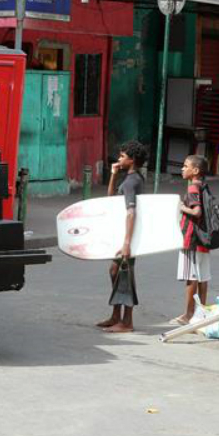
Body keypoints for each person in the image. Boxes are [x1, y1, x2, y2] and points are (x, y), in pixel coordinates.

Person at [97, 140, 148, 333]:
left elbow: (131, 212)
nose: (119, 159)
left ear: (133, 159)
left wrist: (127, 242)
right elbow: (111, 200)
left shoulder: (132, 182)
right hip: (124, 234)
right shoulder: (130, 178)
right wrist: (113, 175)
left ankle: (127, 321)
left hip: (128, 236)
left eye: (122, 156)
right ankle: (116, 315)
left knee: (125, 274)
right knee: (115, 271)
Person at [172, 155, 210, 325]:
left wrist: (182, 207)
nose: (182, 168)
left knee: (191, 277)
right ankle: (201, 313)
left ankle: (188, 314)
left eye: (185, 166)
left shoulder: (193, 189)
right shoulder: (204, 186)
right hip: (203, 240)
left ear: (195, 171)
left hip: (192, 239)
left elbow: (197, 212)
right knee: (202, 277)